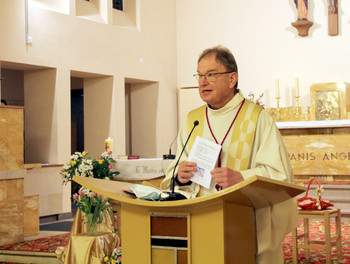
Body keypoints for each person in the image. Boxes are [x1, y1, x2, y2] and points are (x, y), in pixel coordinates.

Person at [160, 45, 298, 264]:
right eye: (199, 75)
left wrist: (242, 177)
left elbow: (280, 174)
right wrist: (179, 175)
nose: (202, 82)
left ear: (232, 78)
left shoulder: (256, 118)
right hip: (202, 223)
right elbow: (174, 171)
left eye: (211, 75)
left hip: (247, 225)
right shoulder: (193, 120)